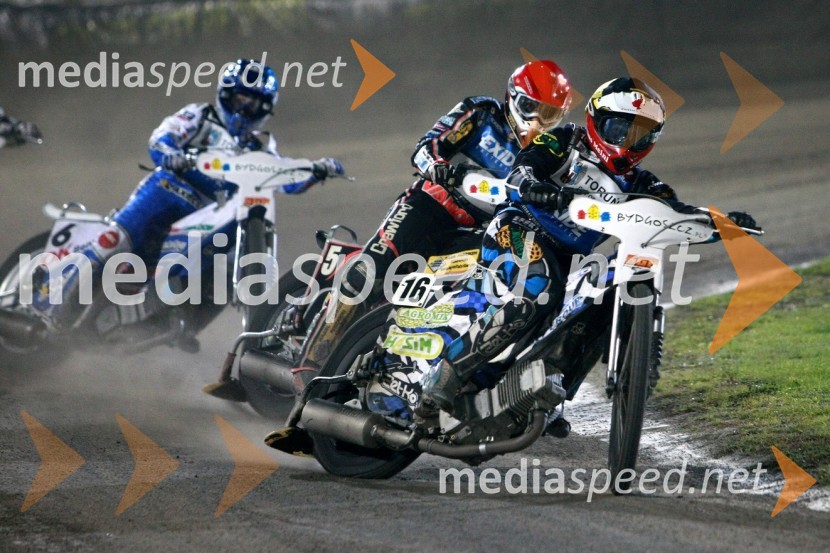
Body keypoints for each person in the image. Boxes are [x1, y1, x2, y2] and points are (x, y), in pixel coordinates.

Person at [206, 59, 574, 400]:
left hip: (482, 229)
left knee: (474, 296)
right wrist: (441, 167)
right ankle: (310, 363)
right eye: (533, 110)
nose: (540, 122)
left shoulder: (551, 150)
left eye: (551, 115)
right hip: (431, 205)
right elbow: (425, 146)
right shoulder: (481, 113)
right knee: (369, 270)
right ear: (513, 98)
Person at [416, 77, 759, 423]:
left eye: (638, 134)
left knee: (600, 302)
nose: (626, 143)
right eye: (618, 128)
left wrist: (721, 225)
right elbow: (524, 167)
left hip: (570, 263)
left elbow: (674, 215)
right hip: (516, 229)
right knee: (536, 287)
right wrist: (534, 186)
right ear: (595, 120)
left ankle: (545, 394)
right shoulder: (564, 140)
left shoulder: (644, 184)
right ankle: (445, 373)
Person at [31, 59, 344, 332]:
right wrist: (170, 154)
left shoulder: (259, 147)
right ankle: (55, 303)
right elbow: (161, 138)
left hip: (206, 216)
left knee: (224, 262)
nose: (244, 108)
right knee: (117, 240)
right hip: (167, 191)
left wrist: (314, 170)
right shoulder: (200, 116)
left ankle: (174, 322)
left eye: (253, 102)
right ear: (226, 94)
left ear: (265, 108)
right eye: (240, 98)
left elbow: (282, 176)